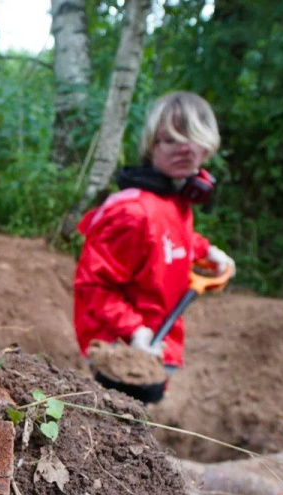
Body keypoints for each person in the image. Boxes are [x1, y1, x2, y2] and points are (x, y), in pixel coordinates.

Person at [73, 91, 235, 399]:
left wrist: (205, 251)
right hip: (120, 350)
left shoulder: (173, 203)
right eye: (173, 139)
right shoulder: (132, 212)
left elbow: (170, 238)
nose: (186, 150)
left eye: (195, 139)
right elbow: (94, 285)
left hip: (157, 340)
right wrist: (135, 331)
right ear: (152, 145)